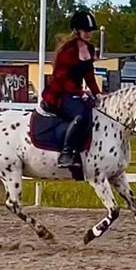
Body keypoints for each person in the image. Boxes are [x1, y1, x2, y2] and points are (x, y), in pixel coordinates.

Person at [42, 10, 102, 168]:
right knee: (81, 115)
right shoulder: (67, 51)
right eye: (85, 30)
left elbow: (89, 76)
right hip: (59, 93)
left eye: (90, 31)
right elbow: (61, 78)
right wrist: (80, 92)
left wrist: (98, 94)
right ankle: (66, 153)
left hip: (74, 92)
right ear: (77, 30)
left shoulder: (89, 49)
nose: (89, 34)